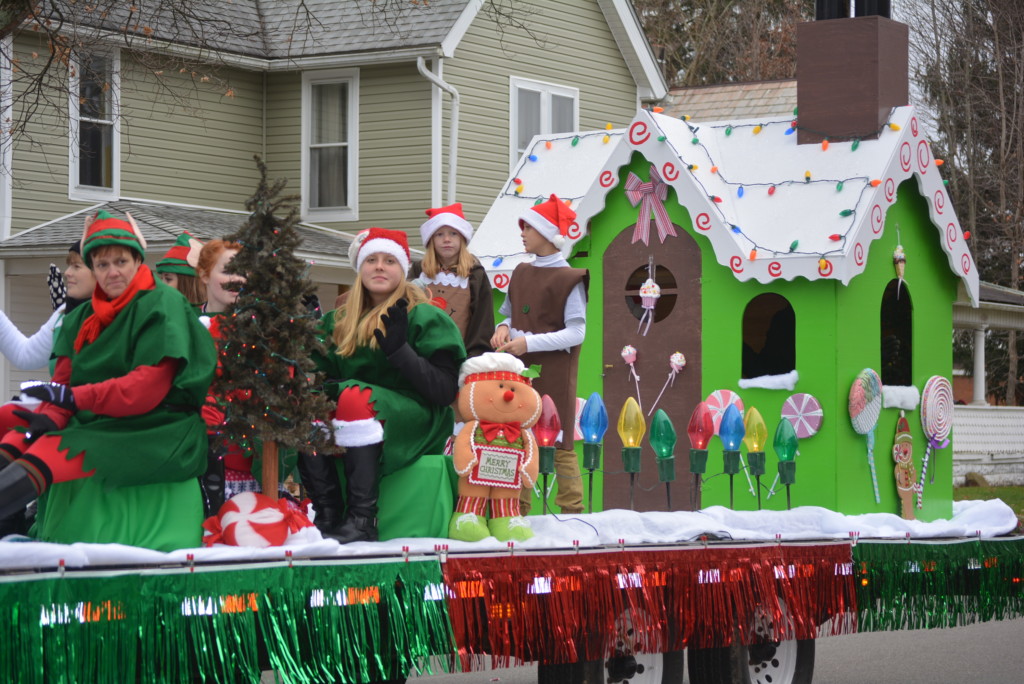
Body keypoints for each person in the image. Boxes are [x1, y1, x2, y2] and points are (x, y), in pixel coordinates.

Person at [0, 210, 217, 550]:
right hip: (102, 417)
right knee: (15, 429)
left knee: (52, 449)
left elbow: (146, 389)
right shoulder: (80, 317)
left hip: (157, 427)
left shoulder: (163, 304)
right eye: (102, 265)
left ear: (137, 260)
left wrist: (72, 401)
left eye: (120, 261)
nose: (112, 271)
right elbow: (65, 382)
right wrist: (50, 414)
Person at [305, 227, 466, 543]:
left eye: (390, 260)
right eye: (372, 259)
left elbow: (444, 392)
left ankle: (363, 518)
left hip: (417, 418)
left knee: (354, 395)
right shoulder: (337, 321)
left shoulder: (425, 317)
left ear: (403, 270)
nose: (379, 266)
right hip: (356, 411)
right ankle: (328, 512)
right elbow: (316, 378)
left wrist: (400, 353)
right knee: (306, 405)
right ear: (360, 268)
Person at [490, 195, 587, 516]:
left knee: (559, 441)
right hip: (518, 371)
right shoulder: (520, 272)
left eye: (528, 227)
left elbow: (576, 333)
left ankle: (572, 511)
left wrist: (527, 345)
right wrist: (504, 328)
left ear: (548, 234)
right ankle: (516, 512)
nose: (522, 233)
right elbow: (510, 314)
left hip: (554, 372)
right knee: (518, 437)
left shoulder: (569, 279)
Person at [195, 239, 258, 508]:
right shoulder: (187, 324)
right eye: (227, 271)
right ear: (205, 274)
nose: (236, 279)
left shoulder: (260, 331)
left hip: (243, 438)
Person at [410, 203, 494, 358]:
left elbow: (483, 319)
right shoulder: (418, 270)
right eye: (439, 234)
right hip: (421, 354)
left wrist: (475, 356)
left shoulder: (475, 274)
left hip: (460, 354)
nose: (447, 239)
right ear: (431, 240)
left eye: (453, 233)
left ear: (462, 238)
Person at [155, 232, 206, 308]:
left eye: (168, 279)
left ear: (188, 283)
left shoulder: (212, 319)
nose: (161, 285)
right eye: (161, 279)